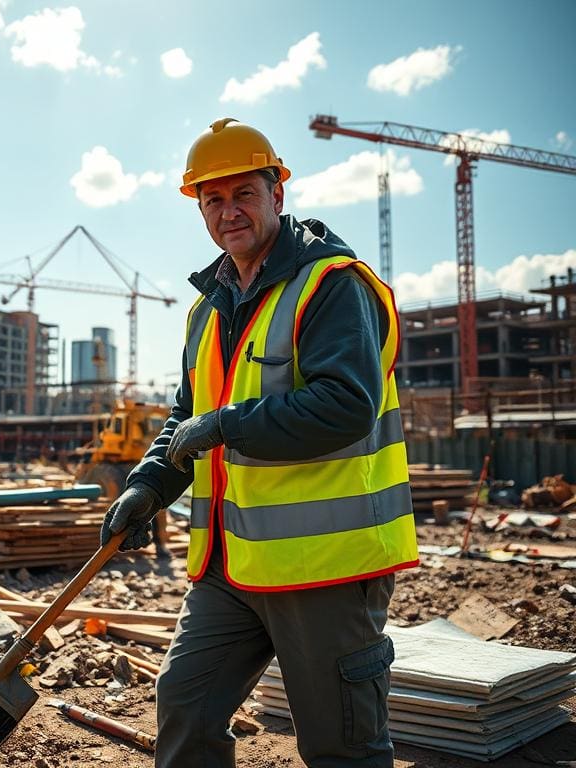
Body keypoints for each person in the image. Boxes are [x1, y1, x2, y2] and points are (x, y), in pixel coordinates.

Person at [100, 118, 419, 768]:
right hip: (232, 566)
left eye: (243, 193)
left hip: (325, 568)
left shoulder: (330, 285)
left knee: (340, 748)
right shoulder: (207, 309)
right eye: (212, 200)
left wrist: (227, 426)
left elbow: (345, 406)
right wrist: (148, 484)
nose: (229, 212)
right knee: (184, 708)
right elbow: (188, 418)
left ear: (277, 191)